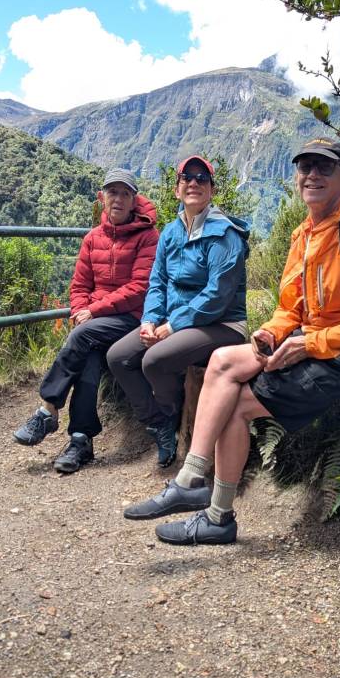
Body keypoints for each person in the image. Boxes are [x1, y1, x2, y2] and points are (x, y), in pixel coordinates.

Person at [123, 137, 340, 544]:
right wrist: (271, 333)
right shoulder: (304, 234)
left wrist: (310, 344)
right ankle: (191, 479)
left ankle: (217, 515)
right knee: (222, 360)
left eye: (324, 167)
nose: (312, 175)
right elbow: (291, 307)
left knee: (236, 405)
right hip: (316, 343)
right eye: (305, 167)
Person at [106, 155, 249, 468]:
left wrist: (173, 327)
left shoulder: (225, 234)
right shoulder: (171, 232)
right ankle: (158, 422)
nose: (194, 183)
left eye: (202, 178)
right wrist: (149, 320)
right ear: (177, 189)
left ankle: (171, 414)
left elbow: (217, 296)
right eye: (187, 178)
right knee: (118, 356)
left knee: (155, 359)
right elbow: (157, 282)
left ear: (212, 190)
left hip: (223, 324)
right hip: (177, 322)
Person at [12, 168, 159, 473]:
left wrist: (93, 312)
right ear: (102, 197)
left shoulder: (148, 237)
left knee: (83, 338)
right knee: (89, 357)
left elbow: (139, 288)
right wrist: (82, 313)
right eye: (112, 192)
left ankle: (48, 409)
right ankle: (80, 441)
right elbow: (79, 286)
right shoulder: (93, 238)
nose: (118, 199)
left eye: (125, 194)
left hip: (131, 317)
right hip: (95, 323)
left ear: (134, 201)